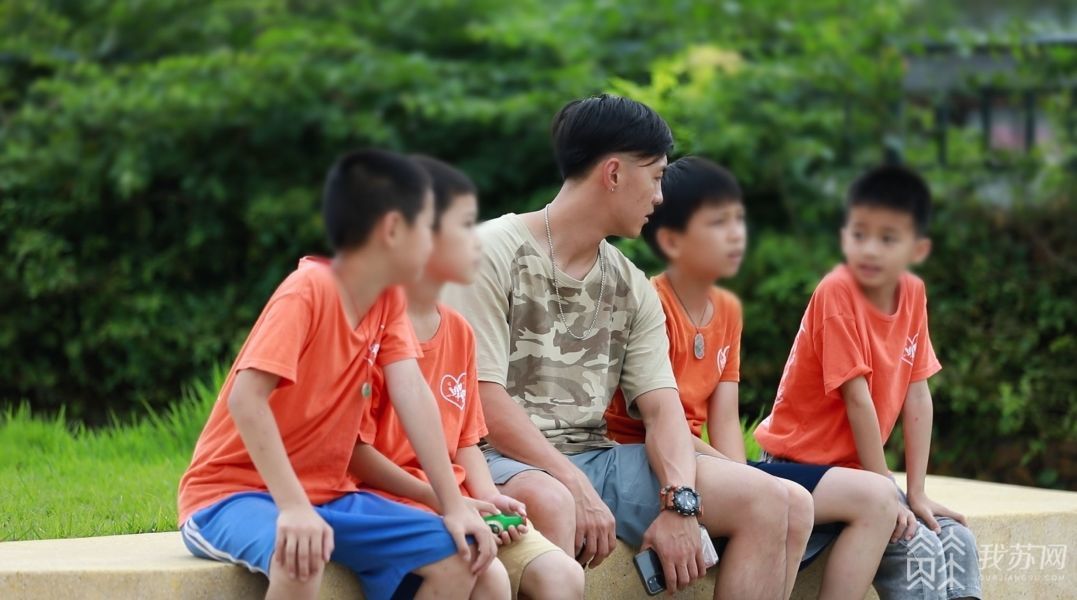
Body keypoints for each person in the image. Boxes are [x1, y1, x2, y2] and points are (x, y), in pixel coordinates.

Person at [444, 94, 812, 599]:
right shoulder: (489, 252)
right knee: (552, 498)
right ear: (614, 173)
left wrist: (680, 502)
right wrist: (573, 482)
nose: (660, 197)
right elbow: (482, 397)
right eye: (656, 176)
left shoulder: (631, 284)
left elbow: (664, 411)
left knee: (777, 501)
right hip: (496, 459)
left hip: (596, 458)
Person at [177, 149, 496, 600]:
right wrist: (293, 508)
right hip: (233, 495)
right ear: (392, 229)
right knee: (299, 553)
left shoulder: (387, 300)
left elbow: (412, 392)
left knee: (458, 553)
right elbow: (245, 400)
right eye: (426, 227)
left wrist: (452, 503)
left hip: (330, 496)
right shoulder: (308, 291)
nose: (432, 243)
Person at [605, 156, 900, 600]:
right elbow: (658, 425)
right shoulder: (651, 304)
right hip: (650, 460)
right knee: (784, 501)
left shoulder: (728, 309)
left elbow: (724, 418)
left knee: (855, 498)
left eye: (738, 221)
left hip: (705, 461)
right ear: (671, 240)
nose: (736, 235)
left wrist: (742, 478)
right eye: (718, 223)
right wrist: (746, 484)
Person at [351, 155, 585, 600]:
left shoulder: (459, 330)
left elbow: (465, 441)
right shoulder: (368, 327)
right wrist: (450, 502)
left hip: (459, 503)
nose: (477, 240)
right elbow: (355, 456)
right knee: (486, 574)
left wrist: (487, 496)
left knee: (564, 576)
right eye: (463, 227)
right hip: (395, 502)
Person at [754, 165, 983, 600]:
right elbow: (857, 401)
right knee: (916, 546)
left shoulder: (913, 293)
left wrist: (916, 493)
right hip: (800, 466)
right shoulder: (837, 292)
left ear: (918, 248)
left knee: (957, 540)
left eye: (888, 238)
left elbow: (918, 394)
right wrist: (888, 494)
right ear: (845, 236)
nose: (871, 249)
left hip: (862, 474)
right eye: (860, 235)